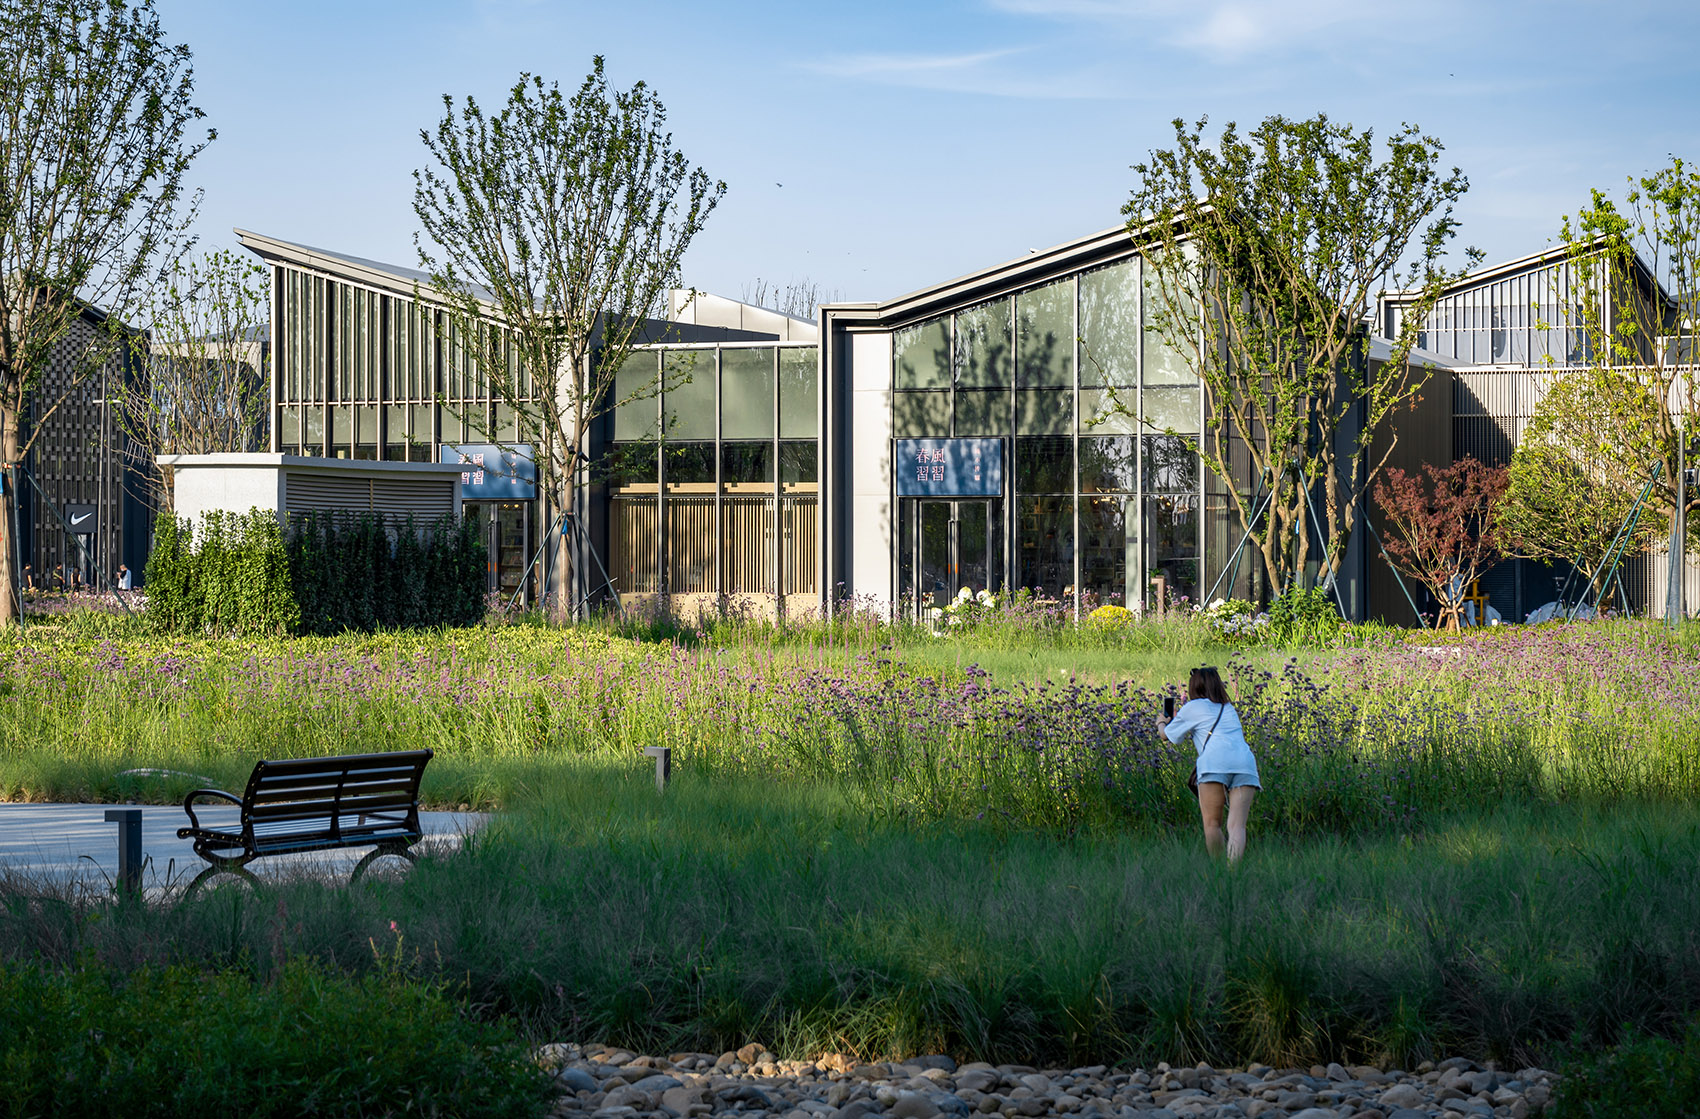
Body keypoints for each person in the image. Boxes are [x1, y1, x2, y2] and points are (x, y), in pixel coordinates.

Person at [1157, 665, 1261, 861]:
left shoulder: (1192, 707)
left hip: (1214, 764)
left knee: (1212, 824)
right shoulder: (1228, 708)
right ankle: (1233, 872)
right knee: (1237, 826)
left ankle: (1218, 869)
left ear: (1194, 686)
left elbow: (1168, 737)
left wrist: (1162, 722)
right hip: (1245, 764)